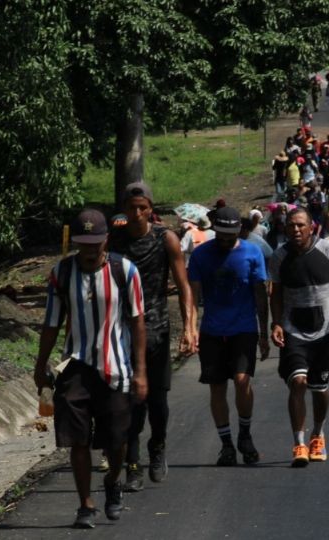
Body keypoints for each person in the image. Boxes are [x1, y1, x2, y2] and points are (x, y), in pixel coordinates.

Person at [34, 209, 147, 529]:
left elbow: (138, 323)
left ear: (105, 242)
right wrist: (40, 366)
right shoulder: (62, 273)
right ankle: (85, 504)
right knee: (78, 440)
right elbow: (51, 323)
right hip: (74, 367)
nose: (88, 251)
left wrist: (141, 371)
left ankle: (113, 480)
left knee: (117, 441)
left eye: (94, 244)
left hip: (115, 367)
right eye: (82, 244)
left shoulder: (125, 271)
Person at [108, 182, 197, 492]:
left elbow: (183, 285)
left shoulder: (165, 239)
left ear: (150, 210)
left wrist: (189, 326)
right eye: (131, 208)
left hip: (157, 327)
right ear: (124, 209)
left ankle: (157, 447)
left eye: (142, 208)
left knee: (157, 401)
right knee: (130, 401)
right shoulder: (114, 241)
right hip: (123, 331)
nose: (136, 213)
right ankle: (132, 464)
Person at [269, 207, 329, 467]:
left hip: (325, 333)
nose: (295, 230)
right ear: (285, 229)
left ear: (311, 227)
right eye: (291, 226)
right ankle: (299, 443)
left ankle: (317, 435)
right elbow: (275, 292)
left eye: (300, 225)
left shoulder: (328, 250)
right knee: (298, 382)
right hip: (293, 330)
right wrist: (276, 323)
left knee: (319, 388)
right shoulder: (279, 257)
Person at [189, 207, 270, 466]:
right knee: (217, 386)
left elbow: (260, 294)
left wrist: (263, 333)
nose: (225, 240)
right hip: (213, 330)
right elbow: (192, 295)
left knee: (242, 379)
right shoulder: (201, 255)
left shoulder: (252, 252)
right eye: (220, 235)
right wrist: (190, 329)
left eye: (230, 235)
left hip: (243, 328)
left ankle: (245, 435)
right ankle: (226, 444)